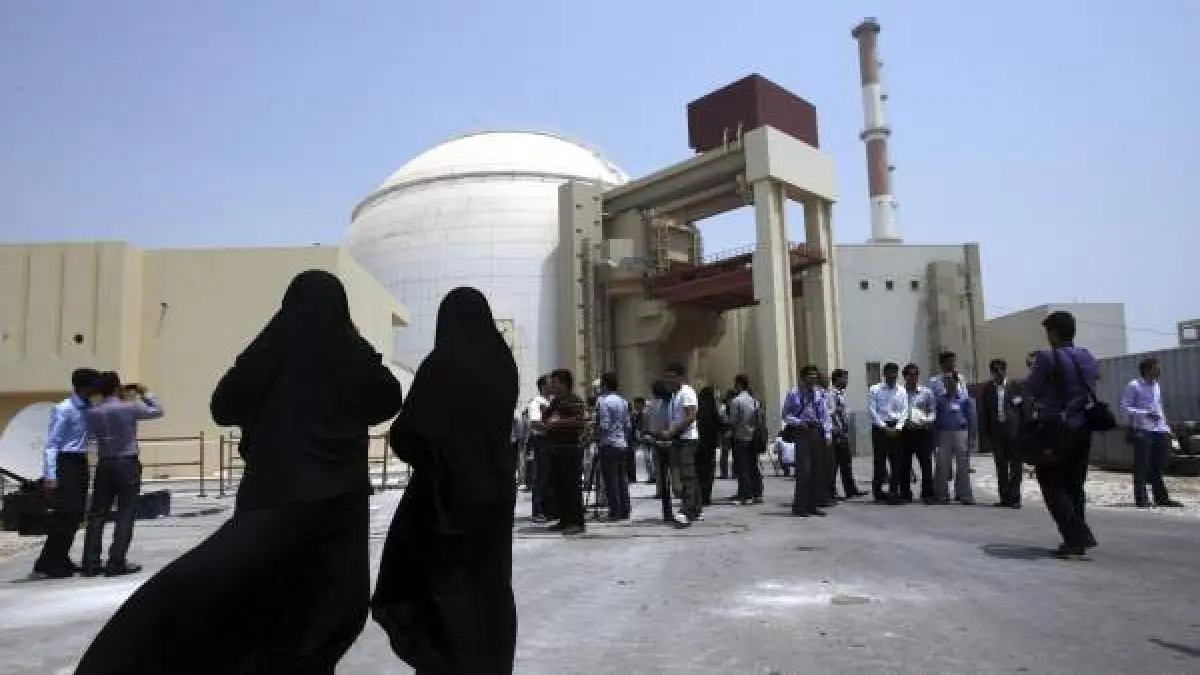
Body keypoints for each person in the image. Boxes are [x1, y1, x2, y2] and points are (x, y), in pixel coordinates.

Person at [74, 270, 404, 674]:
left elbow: (224, 405)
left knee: (260, 598)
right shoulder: (351, 353)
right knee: (326, 606)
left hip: (273, 493)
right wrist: (358, 350)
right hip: (338, 501)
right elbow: (388, 399)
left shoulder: (271, 347)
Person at [372, 286, 519, 674]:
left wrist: (431, 459)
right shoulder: (503, 363)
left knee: (445, 587)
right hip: (494, 490)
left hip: (446, 494)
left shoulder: (442, 365)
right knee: (489, 584)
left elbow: (408, 432)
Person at [1026, 310, 1100, 559]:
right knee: (1074, 484)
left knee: (1050, 482)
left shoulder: (1048, 358)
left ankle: (1077, 535)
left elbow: (1034, 388)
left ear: (1054, 333)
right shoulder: (1086, 356)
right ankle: (1074, 541)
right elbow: (1094, 380)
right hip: (1084, 426)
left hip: (1057, 428)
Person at [81, 372, 164, 577]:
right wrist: (145, 393)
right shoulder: (129, 407)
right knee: (125, 513)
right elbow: (158, 411)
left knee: (97, 514)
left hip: (104, 463)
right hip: (127, 462)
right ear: (117, 387)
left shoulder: (92, 412)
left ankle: (91, 562)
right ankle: (116, 562)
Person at [32, 367, 99, 579]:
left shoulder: (90, 408)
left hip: (80, 461)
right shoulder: (64, 409)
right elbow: (52, 444)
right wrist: (50, 475)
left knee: (76, 514)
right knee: (65, 513)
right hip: (66, 461)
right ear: (84, 387)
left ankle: (60, 557)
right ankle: (49, 561)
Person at [1120, 357, 1183, 508]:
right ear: (1147, 370)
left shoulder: (1156, 386)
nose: (1159, 370)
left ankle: (1161, 498)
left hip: (1159, 429)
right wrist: (1145, 413)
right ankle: (1141, 499)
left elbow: (1159, 407)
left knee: (1159, 465)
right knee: (1142, 466)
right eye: (1156, 368)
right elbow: (1125, 407)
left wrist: (1167, 428)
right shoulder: (1134, 385)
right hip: (1142, 429)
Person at [543, 368, 589, 535]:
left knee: (572, 487)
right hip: (555, 449)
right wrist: (549, 421)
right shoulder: (555, 402)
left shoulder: (574, 400)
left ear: (563, 383)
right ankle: (564, 520)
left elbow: (579, 422)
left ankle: (577, 522)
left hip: (570, 449)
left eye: (554, 382)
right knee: (559, 487)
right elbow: (545, 418)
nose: (551, 386)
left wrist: (556, 423)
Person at [782, 365, 832, 517]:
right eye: (810, 375)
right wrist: (798, 422)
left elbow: (825, 415)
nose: (813, 378)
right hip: (802, 432)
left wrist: (827, 434)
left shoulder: (820, 393)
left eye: (815, 375)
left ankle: (812, 504)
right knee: (804, 470)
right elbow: (786, 415)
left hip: (817, 431)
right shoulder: (794, 394)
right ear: (803, 378)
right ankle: (799, 506)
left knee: (817, 470)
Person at [979, 359, 1026, 508]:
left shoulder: (1015, 386)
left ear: (1005, 370)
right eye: (995, 370)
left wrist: (1024, 430)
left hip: (1014, 432)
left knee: (1016, 466)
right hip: (997, 432)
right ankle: (1005, 497)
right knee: (1001, 465)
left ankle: (1015, 498)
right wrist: (986, 433)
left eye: (1000, 370)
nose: (998, 373)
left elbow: (1023, 409)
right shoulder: (988, 389)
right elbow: (985, 412)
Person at [661, 362, 701, 527]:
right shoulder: (674, 395)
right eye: (667, 377)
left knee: (687, 476)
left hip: (687, 439)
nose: (669, 381)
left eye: (672, 377)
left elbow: (691, 416)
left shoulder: (687, 392)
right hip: (678, 439)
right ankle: (695, 507)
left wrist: (673, 431)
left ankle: (687, 511)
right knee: (687, 475)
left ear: (680, 377)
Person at [932, 373, 976, 505]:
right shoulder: (939, 400)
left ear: (956, 382)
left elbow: (972, 418)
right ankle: (941, 494)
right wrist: (934, 436)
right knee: (942, 465)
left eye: (951, 381)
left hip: (961, 433)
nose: (948, 384)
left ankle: (964, 495)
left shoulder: (965, 399)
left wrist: (972, 437)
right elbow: (935, 419)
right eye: (946, 381)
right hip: (944, 433)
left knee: (963, 465)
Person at [594, 372, 632, 521]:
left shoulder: (603, 402)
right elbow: (627, 425)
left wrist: (596, 436)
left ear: (604, 385)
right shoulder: (623, 401)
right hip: (621, 443)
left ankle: (615, 510)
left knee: (610, 479)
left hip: (608, 443)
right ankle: (625, 509)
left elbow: (604, 425)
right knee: (622, 478)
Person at [898, 363, 937, 504]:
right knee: (904, 464)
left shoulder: (926, 392)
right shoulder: (899, 393)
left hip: (923, 432)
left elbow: (932, 411)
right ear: (905, 376)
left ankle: (927, 493)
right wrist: (904, 422)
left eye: (915, 374)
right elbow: (895, 411)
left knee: (926, 464)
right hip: (905, 432)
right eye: (910, 374)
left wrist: (925, 422)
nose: (913, 377)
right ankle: (905, 493)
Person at [867, 362, 906, 504]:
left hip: (896, 428)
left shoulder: (901, 391)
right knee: (880, 462)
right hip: (880, 429)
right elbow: (872, 410)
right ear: (884, 374)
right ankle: (878, 492)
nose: (892, 376)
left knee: (896, 462)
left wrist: (898, 427)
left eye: (895, 373)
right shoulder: (875, 389)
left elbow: (904, 410)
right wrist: (884, 427)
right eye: (890, 373)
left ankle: (893, 491)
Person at [828, 368, 866, 500]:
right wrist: (838, 430)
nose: (846, 381)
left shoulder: (841, 394)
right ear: (837, 379)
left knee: (846, 462)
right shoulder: (831, 394)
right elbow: (832, 413)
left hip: (843, 432)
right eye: (844, 378)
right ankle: (831, 491)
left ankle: (850, 489)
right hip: (836, 433)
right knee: (834, 464)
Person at [727, 374, 763, 505]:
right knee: (753, 466)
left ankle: (746, 495)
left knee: (742, 467)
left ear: (739, 385)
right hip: (753, 438)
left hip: (741, 437)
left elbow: (733, 421)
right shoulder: (754, 401)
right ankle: (757, 493)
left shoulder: (736, 401)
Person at [526, 375, 555, 523]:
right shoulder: (536, 402)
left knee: (550, 476)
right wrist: (553, 429)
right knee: (542, 476)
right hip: (542, 441)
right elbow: (535, 423)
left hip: (551, 441)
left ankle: (549, 509)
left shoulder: (551, 402)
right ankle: (537, 510)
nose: (553, 385)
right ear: (543, 386)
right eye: (551, 383)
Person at [696, 385, 722, 508]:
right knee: (709, 471)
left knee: (699, 471)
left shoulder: (697, 409)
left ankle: (699, 495)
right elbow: (720, 424)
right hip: (710, 445)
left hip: (698, 444)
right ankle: (706, 496)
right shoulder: (713, 410)